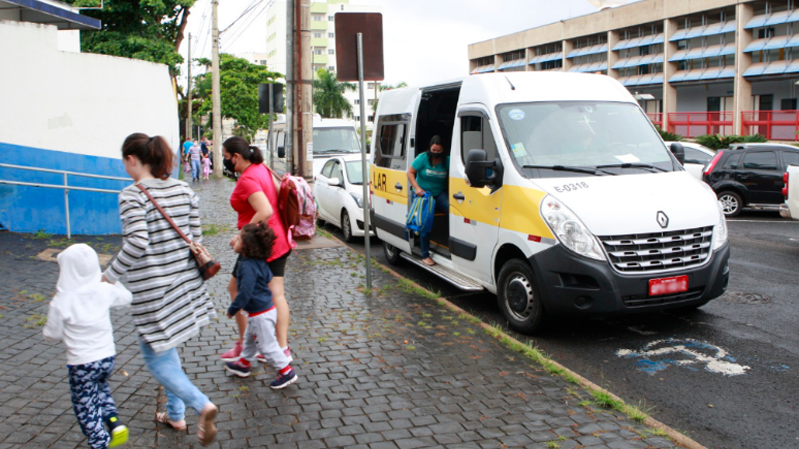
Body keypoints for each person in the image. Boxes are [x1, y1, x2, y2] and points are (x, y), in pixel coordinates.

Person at [103, 133, 218, 446]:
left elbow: (138, 242)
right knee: (168, 349)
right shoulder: (183, 188)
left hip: (154, 292)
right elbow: (195, 237)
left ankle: (201, 404)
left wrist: (109, 276)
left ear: (131, 159)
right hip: (184, 287)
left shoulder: (132, 194)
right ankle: (175, 414)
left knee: (156, 359)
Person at [43, 244, 133, 449]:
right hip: (107, 358)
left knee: (85, 403)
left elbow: (52, 334)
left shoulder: (62, 300)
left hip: (82, 363)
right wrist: (108, 278)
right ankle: (113, 422)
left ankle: (98, 440)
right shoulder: (103, 290)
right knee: (101, 389)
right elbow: (127, 298)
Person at [220, 136, 293, 364]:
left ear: (236, 157)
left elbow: (265, 210)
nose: (224, 161)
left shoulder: (248, 179)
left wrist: (241, 235)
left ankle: (248, 346)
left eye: (225, 157)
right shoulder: (261, 168)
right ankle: (277, 347)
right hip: (276, 239)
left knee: (238, 288)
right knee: (274, 293)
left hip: (259, 245)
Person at [223, 223, 299, 388]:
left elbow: (245, 293)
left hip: (260, 314)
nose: (233, 240)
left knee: (267, 346)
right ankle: (243, 364)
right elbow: (267, 277)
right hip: (265, 310)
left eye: (238, 239)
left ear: (247, 246)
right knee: (250, 340)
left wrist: (233, 309)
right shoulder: (258, 261)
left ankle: (286, 372)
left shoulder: (247, 266)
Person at [407, 135, 450, 266]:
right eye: (433, 150)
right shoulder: (423, 158)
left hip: (439, 193)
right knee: (425, 220)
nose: (436, 153)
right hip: (424, 193)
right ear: (430, 148)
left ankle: (451, 242)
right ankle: (424, 254)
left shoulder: (446, 160)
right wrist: (416, 188)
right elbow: (410, 172)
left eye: (438, 150)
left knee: (453, 212)